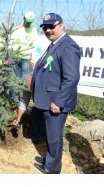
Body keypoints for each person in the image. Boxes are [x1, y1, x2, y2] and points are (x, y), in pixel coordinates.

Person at [32, 13, 80, 174]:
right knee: (50, 134)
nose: (48, 30)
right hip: (48, 100)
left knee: (54, 136)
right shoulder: (55, 44)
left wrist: (58, 101)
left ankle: (52, 169)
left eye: (52, 26)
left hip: (56, 102)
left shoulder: (67, 46)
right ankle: (50, 159)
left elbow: (72, 78)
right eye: (45, 27)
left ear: (62, 25)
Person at [10, 12, 38, 133]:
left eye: (31, 21)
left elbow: (35, 46)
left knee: (24, 83)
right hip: (15, 58)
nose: (28, 23)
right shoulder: (17, 30)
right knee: (14, 80)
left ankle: (21, 106)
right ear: (23, 19)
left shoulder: (34, 31)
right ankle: (13, 101)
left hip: (27, 59)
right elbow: (10, 43)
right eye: (27, 21)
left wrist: (33, 59)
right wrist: (10, 56)